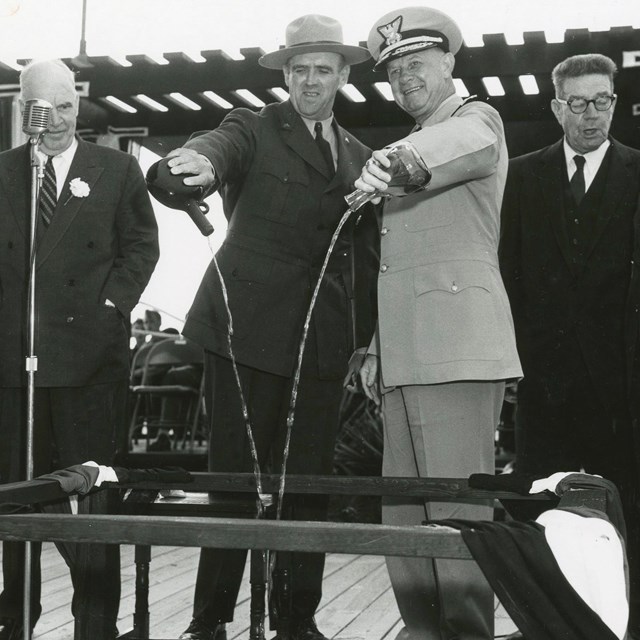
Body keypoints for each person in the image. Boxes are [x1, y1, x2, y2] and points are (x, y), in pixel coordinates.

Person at [166, 14, 379, 640]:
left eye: (323, 70)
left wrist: (365, 341)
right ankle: (207, 622)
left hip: (321, 342)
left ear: (342, 75)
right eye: (300, 69)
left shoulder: (364, 158)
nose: (311, 81)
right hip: (242, 331)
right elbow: (215, 149)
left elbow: (363, 259)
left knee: (308, 482)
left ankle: (297, 619)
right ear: (286, 74)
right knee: (233, 479)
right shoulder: (252, 128)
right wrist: (193, 167)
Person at [355, 7, 522, 639]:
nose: (404, 77)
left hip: (455, 351)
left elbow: (456, 148)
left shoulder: (474, 120)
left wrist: (396, 160)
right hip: (402, 355)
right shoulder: (416, 140)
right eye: (394, 69)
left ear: (449, 63)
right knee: (403, 521)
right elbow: (403, 262)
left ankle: (468, 634)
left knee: (456, 518)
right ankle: (423, 632)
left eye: (417, 62)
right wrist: (375, 347)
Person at [0, 59, 159, 640]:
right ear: (25, 112)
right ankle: (15, 620)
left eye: (67, 106)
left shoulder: (116, 169)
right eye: (45, 108)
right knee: (16, 499)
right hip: (14, 370)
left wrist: (110, 309)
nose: (60, 119)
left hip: (91, 365)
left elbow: (141, 247)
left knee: (93, 499)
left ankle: (96, 625)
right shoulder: (5, 172)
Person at [499, 53, 640, 638]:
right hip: (545, 380)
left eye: (601, 101)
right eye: (577, 103)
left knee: (626, 508)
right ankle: (547, 624)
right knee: (543, 508)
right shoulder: (522, 174)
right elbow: (508, 271)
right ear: (557, 108)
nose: (590, 115)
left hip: (623, 384)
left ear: (616, 102)